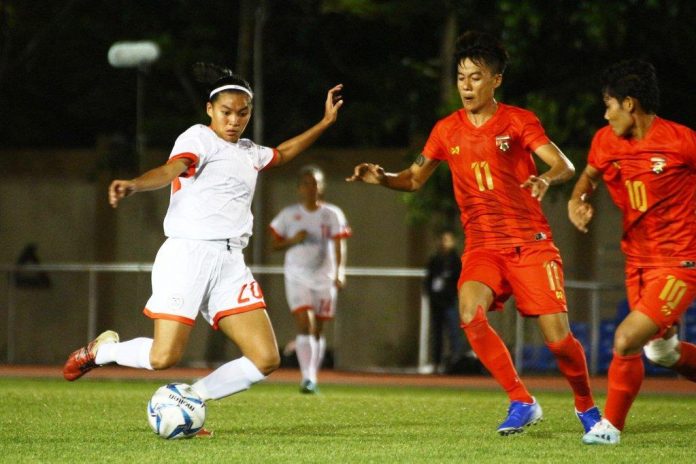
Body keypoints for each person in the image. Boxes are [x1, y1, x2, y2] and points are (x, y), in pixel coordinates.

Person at [347, 30, 600, 436]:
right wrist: (383, 179)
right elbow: (414, 180)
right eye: (461, 77)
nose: (466, 85)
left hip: (530, 243)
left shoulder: (518, 120)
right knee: (470, 315)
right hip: (483, 245)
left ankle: (587, 408)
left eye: (476, 77)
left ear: (495, 80)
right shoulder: (447, 129)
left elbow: (564, 164)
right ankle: (521, 399)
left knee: (558, 340)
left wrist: (546, 180)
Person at [62, 63, 344, 424]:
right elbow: (171, 169)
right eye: (226, 112)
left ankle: (191, 401)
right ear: (210, 110)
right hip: (189, 254)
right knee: (163, 358)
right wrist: (134, 183)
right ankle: (102, 352)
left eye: (242, 113)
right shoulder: (198, 138)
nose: (234, 120)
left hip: (230, 262)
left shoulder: (249, 151)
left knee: (265, 359)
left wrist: (323, 123)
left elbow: (284, 152)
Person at [568, 59, 696, 445]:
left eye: (608, 104)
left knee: (625, 339)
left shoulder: (681, 141)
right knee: (662, 353)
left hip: (679, 264)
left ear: (629, 103)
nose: (604, 113)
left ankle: (610, 428)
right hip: (637, 263)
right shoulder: (605, 142)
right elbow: (588, 179)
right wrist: (578, 201)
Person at [269, 165, 351, 393]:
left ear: (321, 187)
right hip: (297, 277)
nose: (310, 187)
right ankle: (308, 376)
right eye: (305, 183)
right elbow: (274, 244)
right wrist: (293, 240)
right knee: (306, 323)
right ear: (298, 188)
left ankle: (312, 376)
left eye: (315, 183)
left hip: (324, 278)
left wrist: (340, 272)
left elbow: (339, 244)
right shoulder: (289, 215)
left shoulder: (332, 214)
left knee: (318, 330)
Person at [425, 229, 465, 373]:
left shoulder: (455, 261)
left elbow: (459, 281)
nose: (444, 243)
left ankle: (456, 364)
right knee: (437, 335)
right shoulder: (435, 260)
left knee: (453, 333)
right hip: (437, 303)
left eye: (447, 240)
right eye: (443, 240)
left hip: (449, 302)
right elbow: (428, 281)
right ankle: (437, 363)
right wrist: (431, 296)